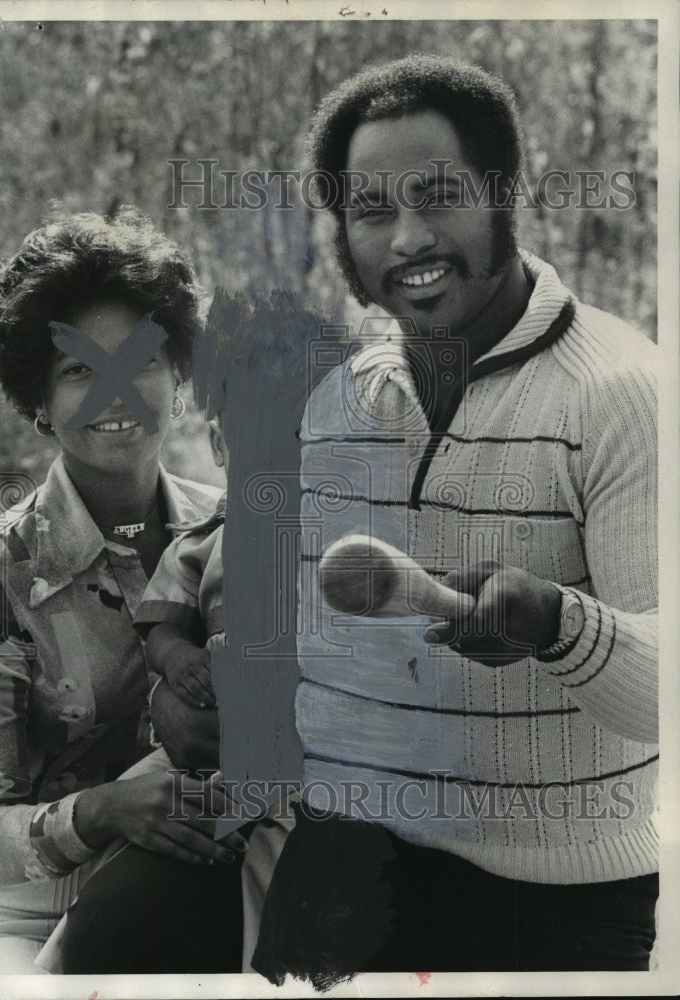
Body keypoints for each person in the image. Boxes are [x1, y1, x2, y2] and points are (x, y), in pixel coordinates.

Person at [253, 54, 658, 982]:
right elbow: (304, 655)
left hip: (552, 901)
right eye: (370, 211)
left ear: (502, 195)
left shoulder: (621, 393)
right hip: (341, 873)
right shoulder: (334, 401)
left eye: (438, 196)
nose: (407, 238)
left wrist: (554, 620)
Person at [0, 208, 248, 975]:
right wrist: (103, 812)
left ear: (177, 375)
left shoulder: (231, 533)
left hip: (186, 886)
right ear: (38, 401)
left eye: (138, 360)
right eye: (79, 370)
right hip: (16, 915)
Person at [57, 289, 326, 973]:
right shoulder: (203, 543)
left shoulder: (339, 540)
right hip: (199, 743)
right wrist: (176, 668)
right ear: (218, 443)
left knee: (281, 858)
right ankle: (55, 960)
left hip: (298, 761)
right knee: (143, 823)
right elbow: (163, 626)